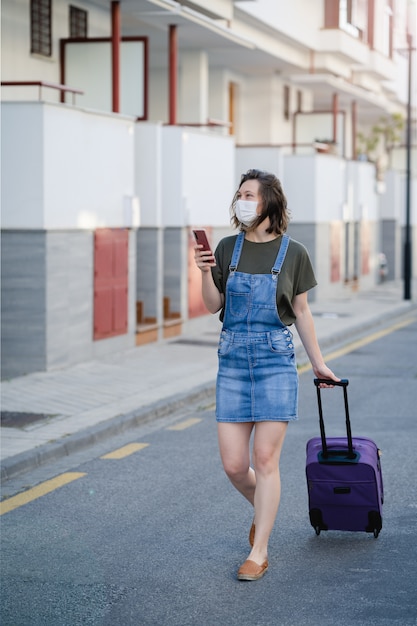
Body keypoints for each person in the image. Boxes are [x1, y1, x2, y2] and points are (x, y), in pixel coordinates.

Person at [194, 169, 339, 581]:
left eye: (250, 195)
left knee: (264, 459)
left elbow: (303, 312)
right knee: (235, 465)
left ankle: (259, 551)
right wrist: (205, 272)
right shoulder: (226, 248)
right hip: (233, 363)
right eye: (239, 194)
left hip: (276, 360)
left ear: (270, 202)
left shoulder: (294, 253)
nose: (242, 201)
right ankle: (265, 509)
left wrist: (318, 363)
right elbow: (212, 305)